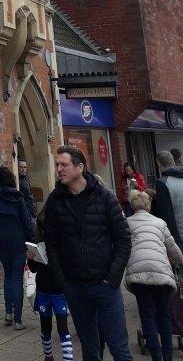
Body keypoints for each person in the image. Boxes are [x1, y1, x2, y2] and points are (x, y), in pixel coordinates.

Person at [44, 146, 133, 361]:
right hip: (75, 287)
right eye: (57, 165)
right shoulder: (55, 201)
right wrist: (63, 281)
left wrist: (112, 278)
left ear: (80, 167)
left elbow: (123, 239)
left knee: (119, 347)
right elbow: (51, 244)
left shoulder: (104, 197)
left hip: (104, 285)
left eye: (63, 165)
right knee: (90, 349)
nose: (59, 169)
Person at [125, 189, 183, 361]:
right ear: (149, 206)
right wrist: (177, 261)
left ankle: (156, 356)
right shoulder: (160, 223)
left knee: (147, 315)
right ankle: (167, 356)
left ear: (132, 206)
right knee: (164, 314)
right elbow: (174, 250)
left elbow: (122, 247)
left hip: (139, 275)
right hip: (161, 274)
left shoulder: (127, 223)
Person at [0, 165, 36, 330]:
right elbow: (27, 222)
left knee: (7, 276)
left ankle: (8, 313)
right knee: (16, 278)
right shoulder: (18, 197)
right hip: (18, 242)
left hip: (0, 243)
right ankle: (18, 320)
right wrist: (31, 241)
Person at [28, 211, 73, 361]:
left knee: (62, 328)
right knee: (45, 327)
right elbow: (34, 269)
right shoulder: (39, 245)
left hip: (59, 292)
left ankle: (67, 358)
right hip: (43, 291)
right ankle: (48, 356)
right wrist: (31, 258)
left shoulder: (63, 245)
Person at [151, 150, 183, 249]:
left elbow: (165, 214)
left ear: (159, 165)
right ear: (173, 161)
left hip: (178, 236)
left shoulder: (162, 183)